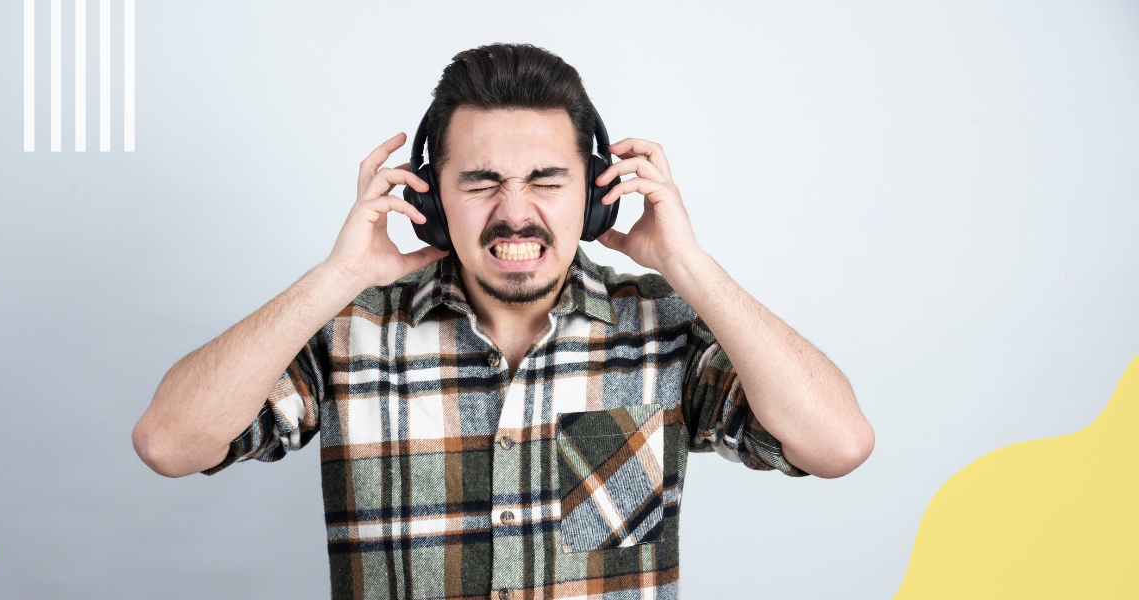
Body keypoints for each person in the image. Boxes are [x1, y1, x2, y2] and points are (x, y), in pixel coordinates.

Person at [132, 43, 874, 600]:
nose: (514, 211)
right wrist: (339, 276)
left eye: (547, 181)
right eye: (481, 181)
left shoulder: (662, 329)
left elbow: (838, 444)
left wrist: (689, 265)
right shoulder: (347, 333)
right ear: (426, 199)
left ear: (596, 196)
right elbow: (169, 443)